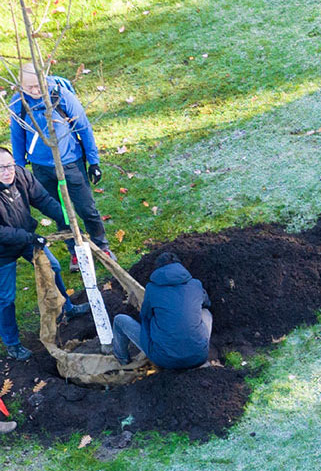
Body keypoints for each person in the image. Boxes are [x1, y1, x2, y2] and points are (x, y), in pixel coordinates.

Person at [9, 62, 109, 256]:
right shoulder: (18, 103)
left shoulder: (61, 96)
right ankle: (75, 250)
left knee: (86, 208)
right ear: (21, 86)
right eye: (30, 87)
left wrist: (93, 161)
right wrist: (19, 170)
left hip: (71, 163)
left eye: (40, 85)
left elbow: (84, 127)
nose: (36, 90)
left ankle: (102, 245)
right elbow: (17, 137)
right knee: (60, 213)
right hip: (41, 167)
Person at [0, 147, 70, 360]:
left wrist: (66, 219)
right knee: (5, 298)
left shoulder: (21, 175)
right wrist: (30, 238)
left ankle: (67, 306)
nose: (7, 171)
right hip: (2, 251)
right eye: (1, 168)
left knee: (54, 266)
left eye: (10, 165)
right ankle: (12, 343)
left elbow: (42, 199)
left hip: (25, 238)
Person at [111, 252, 213, 369]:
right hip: (199, 357)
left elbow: (145, 315)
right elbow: (206, 303)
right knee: (206, 312)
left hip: (164, 360)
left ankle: (122, 360)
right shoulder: (196, 284)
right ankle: (195, 346)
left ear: (158, 270)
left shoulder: (152, 288)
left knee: (119, 320)